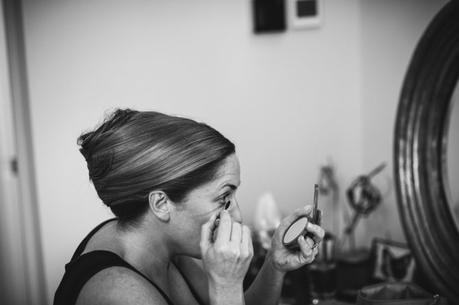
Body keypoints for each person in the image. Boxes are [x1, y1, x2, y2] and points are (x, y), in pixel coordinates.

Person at [54, 109, 325, 305]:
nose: (238, 215)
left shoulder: (167, 243)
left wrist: (274, 266)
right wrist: (226, 285)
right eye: (223, 198)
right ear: (161, 204)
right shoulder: (119, 293)